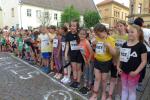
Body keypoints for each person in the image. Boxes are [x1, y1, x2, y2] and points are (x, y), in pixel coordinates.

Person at [117, 24, 147, 100]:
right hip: (123, 71)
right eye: (129, 32)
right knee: (124, 88)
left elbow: (144, 61)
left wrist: (136, 72)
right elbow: (120, 57)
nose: (129, 33)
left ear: (139, 33)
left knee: (132, 91)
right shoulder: (124, 44)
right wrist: (118, 67)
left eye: (132, 32)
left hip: (134, 73)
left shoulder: (141, 46)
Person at [90, 23, 116, 100]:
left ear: (104, 31)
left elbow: (114, 53)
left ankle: (104, 93)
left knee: (104, 80)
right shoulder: (97, 38)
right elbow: (95, 49)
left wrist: (108, 46)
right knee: (97, 78)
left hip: (106, 62)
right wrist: (93, 45)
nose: (97, 35)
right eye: (96, 33)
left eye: (98, 33)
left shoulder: (111, 39)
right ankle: (95, 94)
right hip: (97, 61)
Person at [108, 21, 128, 100]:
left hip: (123, 62)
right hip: (114, 60)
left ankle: (118, 94)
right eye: (118, 26)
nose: (119, 27)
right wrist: (113, 60)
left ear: (125, 26)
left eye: (121, 26)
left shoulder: (128, 37)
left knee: (120, 80)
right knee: (112, 78)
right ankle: (110, 95)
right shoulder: (113, 36)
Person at [65, 20, 84, 89]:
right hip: (72, 53)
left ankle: (78, 82)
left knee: (78, 69)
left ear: (77, 27)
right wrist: (65, 54)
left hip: (79, 54)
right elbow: (67, 45)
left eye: (74, 26)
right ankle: (75, 80)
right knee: (74, 68)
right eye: (71, 26)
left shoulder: (79, 34)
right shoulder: (68, 34)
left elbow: (83, 42)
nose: (73, 27)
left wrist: (78, 34)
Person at [134, 17, 150, 92]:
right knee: (143, 67)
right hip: (147, 51)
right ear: (142, 23)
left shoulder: (135, 30)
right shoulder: (148, 30)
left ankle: (135, 82)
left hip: (137, 51)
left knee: (137, 66)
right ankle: (140, 82)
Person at [78, 28, 94, 95]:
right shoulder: (80, 42)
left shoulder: (86, 42)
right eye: (80, 34)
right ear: (79, 34)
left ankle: (89, 86)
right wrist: (85, 60)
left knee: (90, 72)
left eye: (83, 34)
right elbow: (82, 52)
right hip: (86, 59)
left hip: (91, 60)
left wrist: (88, 61)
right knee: (86, 72)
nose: (82, 35)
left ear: (86, 35)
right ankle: (85, 85)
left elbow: (92, 53)